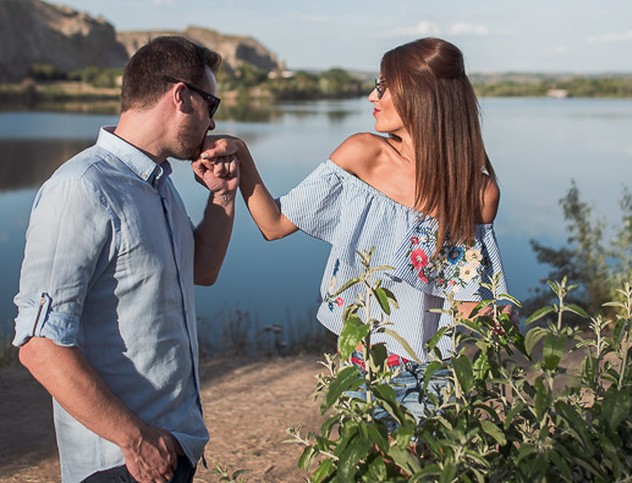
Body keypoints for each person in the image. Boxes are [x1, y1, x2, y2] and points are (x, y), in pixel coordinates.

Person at [201, 37, 507, 424]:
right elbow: (274, 224)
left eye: (382, 86)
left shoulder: (477, 192)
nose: (370, 96)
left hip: (439, 373)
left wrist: (493, 320)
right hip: (362, 361)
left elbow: (470, 301)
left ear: (420, 94)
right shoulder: (362, 154)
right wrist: (241, 153)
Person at [12, 36, 238, 483]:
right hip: (120, 462)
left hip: (170, 447)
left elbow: (202, 272)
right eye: (211, 104)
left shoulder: (156, 184)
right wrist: (134, 438)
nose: (213, 122)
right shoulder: (82, 188)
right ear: (180, 97)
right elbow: (39, 345)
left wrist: (222, 197)